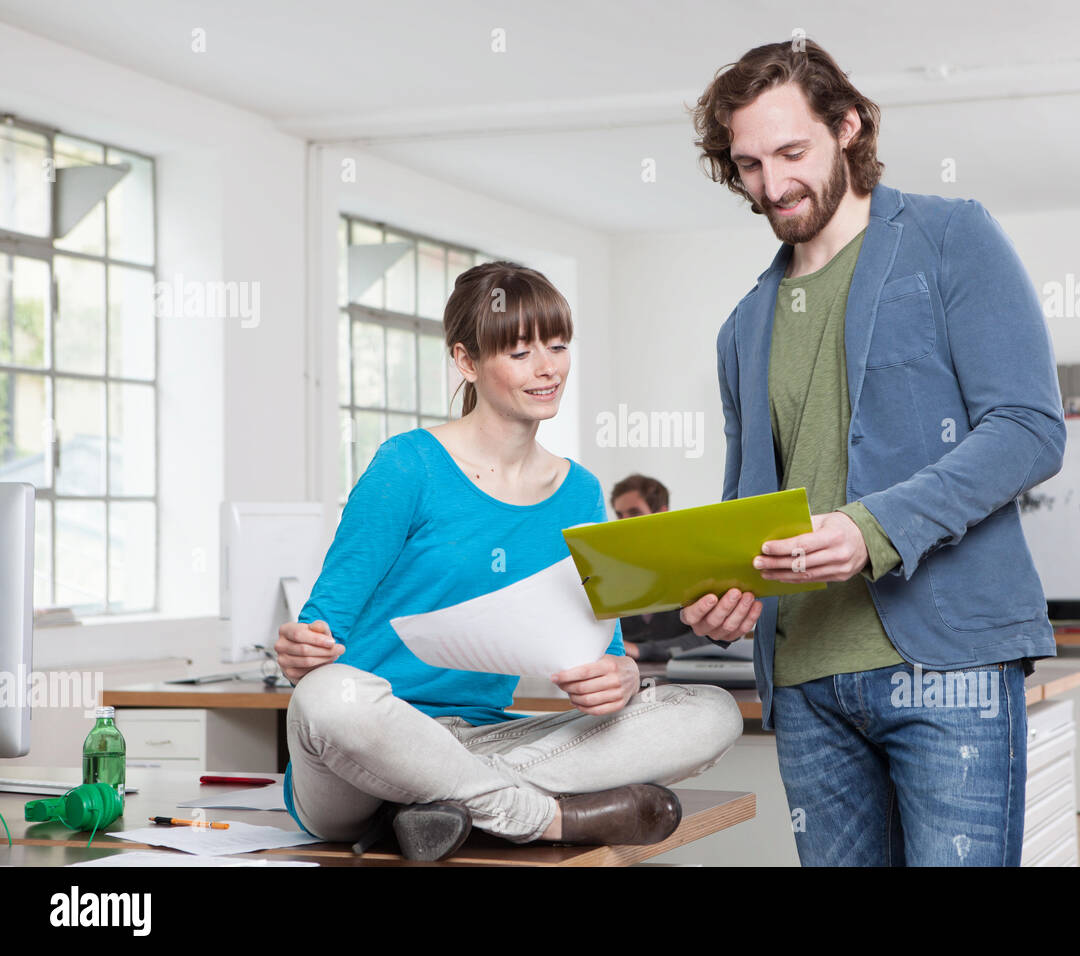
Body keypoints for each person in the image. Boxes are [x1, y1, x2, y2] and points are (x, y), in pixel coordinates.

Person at [680, 40, 1066, 866]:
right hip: (806, 682)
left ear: (847, 127)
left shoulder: (950, 238)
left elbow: (1029, 429)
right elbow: (748, 512)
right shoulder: (742, 328)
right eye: (748, 164)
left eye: (792, 153)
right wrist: (723, 590)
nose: (773, 185)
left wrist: (871, 530)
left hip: (950, 663)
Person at [276, 261, 743, 861]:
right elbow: (317, 636)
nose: (548, 368)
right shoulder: (407, 466)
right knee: (328, 697)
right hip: (364, 755)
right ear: (467, 361)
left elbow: (602, 651)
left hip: (489, 737)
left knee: (709, 711)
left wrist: (619, 677)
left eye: (557, 345)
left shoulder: (580, 493)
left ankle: (441, 802)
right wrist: (300, 649)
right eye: (521, 352)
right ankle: (537, 816)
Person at [609, 474, 714, 662]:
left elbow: (712, 637)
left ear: (661, 514)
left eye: (634, 513)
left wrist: (644, 650)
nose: (622, 522)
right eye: (619, 515)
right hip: (622, 673)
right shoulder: (609, 568)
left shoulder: (696, 564)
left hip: (688, 675)